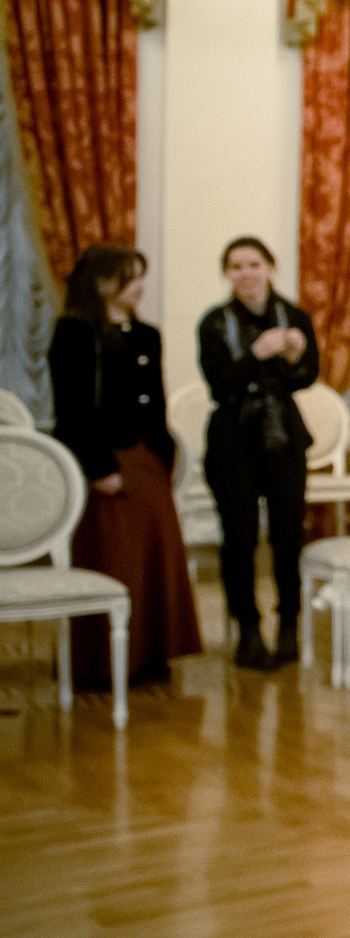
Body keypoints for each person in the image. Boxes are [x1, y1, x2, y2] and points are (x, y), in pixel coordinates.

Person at [46, 245, 201, 689]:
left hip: (147, 460)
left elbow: (157, 398)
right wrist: (98, 468)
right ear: (101, 283)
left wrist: (163, 455)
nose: (139, 287)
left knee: (157, 559)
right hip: (105, 463)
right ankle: (101, 662)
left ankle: (152, 655)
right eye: (129, 278)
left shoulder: (147, 335)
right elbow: (72, 407)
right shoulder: (74, 332)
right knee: (114, 559)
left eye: (140, 278)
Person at [195, 236, 318, 668]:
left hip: (282, 433)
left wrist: (295, 357)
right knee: (240, 537)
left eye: (253, 264)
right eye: (236, 266)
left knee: (288, 534)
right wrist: (256, 353)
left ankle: (288, 624)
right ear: (227, 273)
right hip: (234, 435)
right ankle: (247, 630)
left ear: (270, 267)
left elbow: (306, 377)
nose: (245, 273)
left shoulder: (294, 315)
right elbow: (219, 383)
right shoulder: (214, 323)